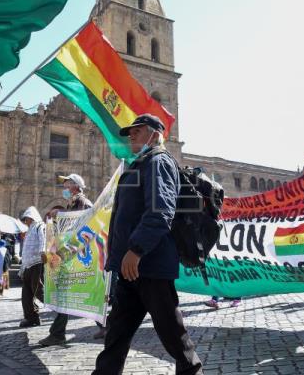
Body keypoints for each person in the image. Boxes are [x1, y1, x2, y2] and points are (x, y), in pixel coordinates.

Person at [93, 114, 202, 374]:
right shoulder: (140, 163)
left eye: (137, 131)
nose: (131, 135)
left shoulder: (158, 161)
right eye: (130, 132)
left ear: (154, 134)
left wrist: (137, 249)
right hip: (130, 268)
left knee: (172, 333)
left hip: (149, 265)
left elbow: (161, 210)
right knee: (116, 334)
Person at [38, 174, 93, 347]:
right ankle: (105, 326)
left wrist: (60, 214)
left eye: (67, 185)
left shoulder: (82, 202)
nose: (65, 188)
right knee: (69, 293)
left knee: (68, 293)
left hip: (78, 256)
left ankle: (57, 334)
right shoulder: (73, 202)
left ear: (76, 186)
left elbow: (80, 222)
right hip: (70, 255)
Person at [19, 206, 46, 328]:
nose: (26, 221)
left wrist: (43, 252)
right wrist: (22, 268)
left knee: (39, 290)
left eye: (27, 218)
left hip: (37, 263)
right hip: (27, 266)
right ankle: (31, 317)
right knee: (26, 294)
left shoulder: (40, 226)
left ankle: (60, 310)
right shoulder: (29, 229)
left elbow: (43, 240)